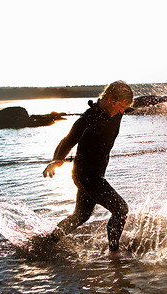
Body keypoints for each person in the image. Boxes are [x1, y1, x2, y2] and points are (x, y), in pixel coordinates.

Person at [43, 80, 134, 253]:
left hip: (94, 175)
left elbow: (144, 101)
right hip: (85, 175)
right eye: (121, 106)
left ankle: (49, 241)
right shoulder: (88, 119)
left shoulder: (116, 112)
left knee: (81, 216)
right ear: (110, 99)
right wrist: (57, 160)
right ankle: (114, 253)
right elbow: (67, 140)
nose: (122, 111)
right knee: (121, 209)